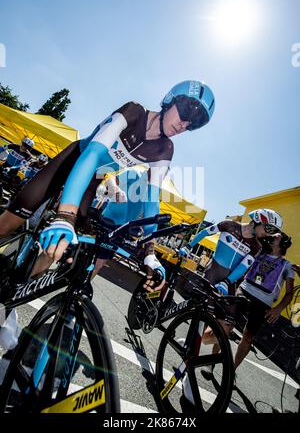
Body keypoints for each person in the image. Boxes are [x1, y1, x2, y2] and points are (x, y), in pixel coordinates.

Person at [0, 80, 215, 295]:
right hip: (73, 160)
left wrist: (150, 252)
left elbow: (152, 198)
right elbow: (92, 155)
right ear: (170, 100)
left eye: (193, 123)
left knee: (57, 249)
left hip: (92, 179)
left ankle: (11, 292)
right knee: (9, 222)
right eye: (186, 112)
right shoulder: (134, 112)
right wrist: (65, 215)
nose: (184, 124)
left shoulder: (164, 148)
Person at [178, 209, 284, 407]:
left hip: (227, 286)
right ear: (257, 220)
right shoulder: (229, 225)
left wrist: (227, 282)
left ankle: (192, 346)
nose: (268, 234)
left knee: (221, 328)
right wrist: (189, 246)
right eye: (268, 228)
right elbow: (205, 232)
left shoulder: (257, 246)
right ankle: (187, 369)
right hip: (210, 277)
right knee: (199, 322)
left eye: (272, 231)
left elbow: (243, 267)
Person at [234, 232, 295, 371]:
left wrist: (278, 309)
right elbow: (256, 237)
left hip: (263, 302)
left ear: (284, 243)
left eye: (277, 236)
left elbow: (290, 293)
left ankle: (232, 369)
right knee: (226, 322)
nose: (273, 236)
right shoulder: (259, 252)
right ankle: (210, 364)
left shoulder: (287, 265)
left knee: (248, 337)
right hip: (244, 290)